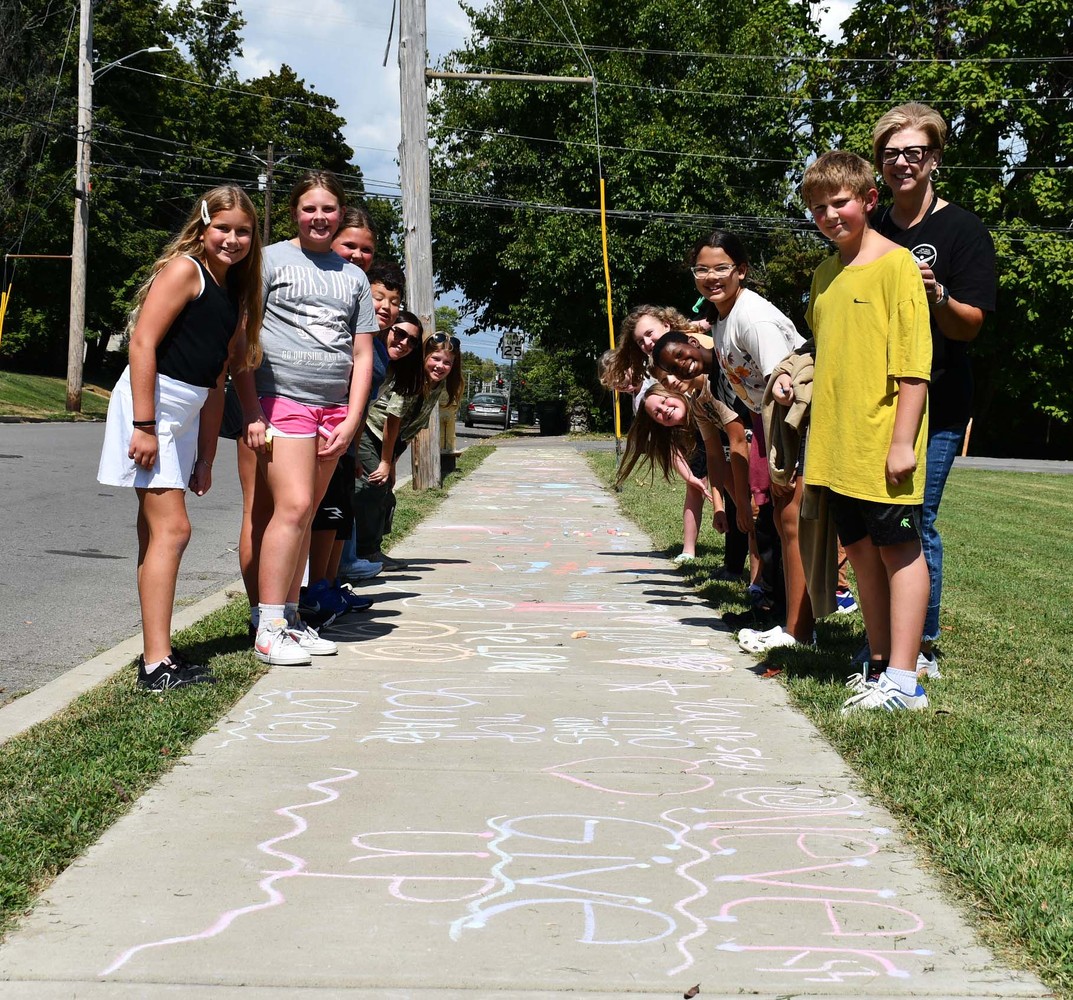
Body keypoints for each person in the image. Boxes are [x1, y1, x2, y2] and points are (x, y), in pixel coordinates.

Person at [97, 185, 263, 689]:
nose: (232, 239)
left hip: (186, 413)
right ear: (204, 225)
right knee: (173, 530)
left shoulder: (234, 292)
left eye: (243, 232)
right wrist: (144, 426)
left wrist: (207, 456)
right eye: (223, 228)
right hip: (151, 405)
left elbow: (217, 381)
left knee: (156, 534)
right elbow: (141, 342)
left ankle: (158, 654)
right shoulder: (185, 271)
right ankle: (156, 664)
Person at [793, 150, 932, 713]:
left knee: (899, 551)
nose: (830, 215)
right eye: (819, 207)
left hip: (881, 443)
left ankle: (906, 679)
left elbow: (913, 365)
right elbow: (827, 351)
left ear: (870, 200)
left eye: (841, 202)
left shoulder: (897, 265)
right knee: (860, 551)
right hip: (835, 446)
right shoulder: (825, 275)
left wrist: (903, 442)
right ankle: (878, 665)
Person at [872, 102, 996, 677]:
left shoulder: (963, 229)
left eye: (914, 153)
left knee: (916, 517)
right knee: (882, 517)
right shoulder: (871, 228)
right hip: (876, 399)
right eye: (892, 153)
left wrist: (937, 294)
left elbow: (971, 324)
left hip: (940, 399)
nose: (902, 163)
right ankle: (892, 637)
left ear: (935, 159)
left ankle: (919, 644)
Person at [653, 232, 812, 652]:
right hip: (771, 424)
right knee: (781, 523)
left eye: (721, 267)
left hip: (798, 422)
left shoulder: (752, 318)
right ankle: (782, 618)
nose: (711, 277)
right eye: (702, 269)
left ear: (741, 270)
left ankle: (798, 630)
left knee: (792, 522)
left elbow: (788, 382)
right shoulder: (725, 319)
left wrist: (784, 449)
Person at [244, 170, 377, 666]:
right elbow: (244, 334)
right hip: (283, 399)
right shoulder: (270, 260)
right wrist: (252, 407)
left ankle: (293, 620)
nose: (319, 217)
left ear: (341, 214)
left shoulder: (355, 278)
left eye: (328, 209)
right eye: (309, 208)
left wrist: (352, 419)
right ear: (294, 213)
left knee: (307, 517)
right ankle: (269, 623)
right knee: (294, 507)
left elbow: (362, 354)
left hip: (334, 410)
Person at [353, 330, 462, 562]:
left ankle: (371, 550)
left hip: (391, 443)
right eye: (435, 358)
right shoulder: (413, 379)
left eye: (447, 363)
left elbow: (410, 428)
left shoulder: (437, 387)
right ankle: (365, 553)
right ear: (423, 357)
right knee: (373, 489)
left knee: (385, 492)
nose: (440, 366)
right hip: (371, 432)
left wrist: (391, 463)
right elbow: (392, 421)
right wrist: (384, 462)